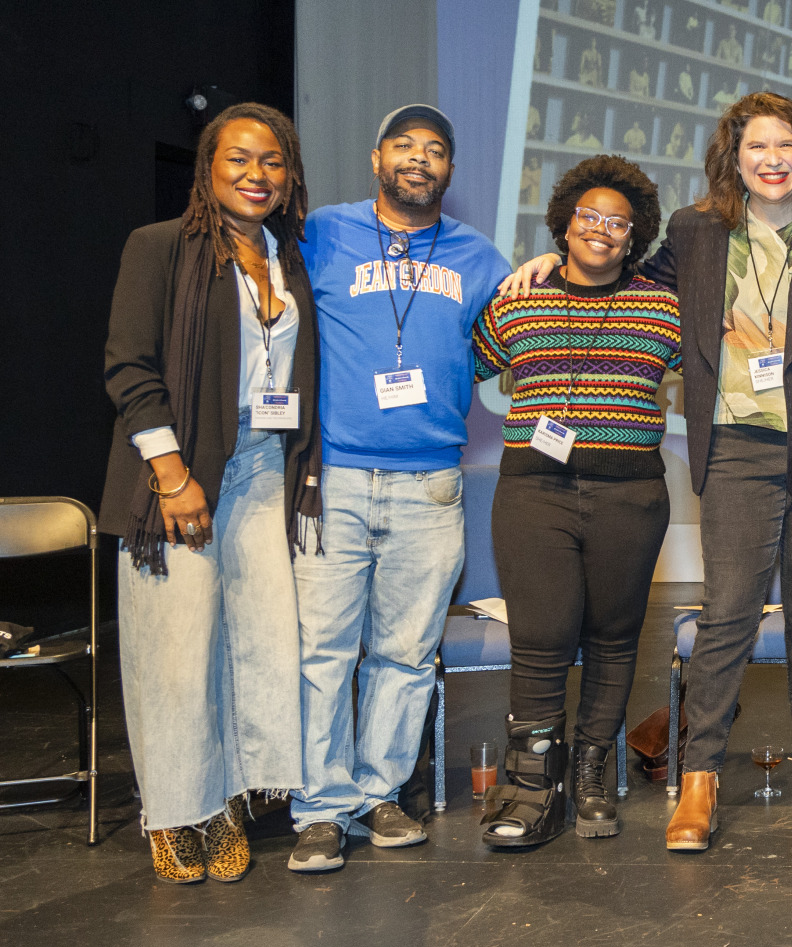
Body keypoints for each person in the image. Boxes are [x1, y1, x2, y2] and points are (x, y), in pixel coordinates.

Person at [510, 90, 792, 846]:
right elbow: (623, 278)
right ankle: (700, 778)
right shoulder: (694, 230)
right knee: (728, 616)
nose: (773, 158)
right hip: (738, 449)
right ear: (733, 157)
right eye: (758, 146)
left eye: (787, 144)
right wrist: (556, 261)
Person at [100, 104, 320, 884]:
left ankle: (226, 797)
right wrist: (170, 475)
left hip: (264, 471)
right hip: (179, 474)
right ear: (207, 166)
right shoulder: (160, 247)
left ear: (290, 177)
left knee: (257, 644)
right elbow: (130, 367)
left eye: (273, 162)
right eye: (239, 159)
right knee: (178, 651)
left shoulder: (289, 260)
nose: (256, 175)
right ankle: (173, 809)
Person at [288, 105, 509, 873]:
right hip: (334, 479)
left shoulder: (481, 257)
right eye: (406, 146)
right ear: (377, 156)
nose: (421, 159)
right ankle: (319, 807)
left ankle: (380, 793)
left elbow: (502, 344)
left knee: (405, 654)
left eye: (437, 150)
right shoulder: (321, 233)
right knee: (323, 651)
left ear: (450, 170)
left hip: (431, 484)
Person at [469, 156, 681, 848]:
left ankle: (592, 771)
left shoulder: (661, 305)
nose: (602, 229)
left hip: (632, 495)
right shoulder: (519, 296)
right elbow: (467, 361)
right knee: (541, 640)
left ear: (634, 234)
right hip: (534, 493)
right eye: (588, 216)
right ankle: (532, 783)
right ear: (564, 223)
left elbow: (723, 365)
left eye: (617, 222)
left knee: (615, 636)